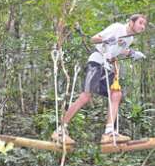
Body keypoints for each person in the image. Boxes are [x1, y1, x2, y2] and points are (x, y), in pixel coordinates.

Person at [51, 14, 148, 145]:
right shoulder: (117, 28)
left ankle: (108, 132)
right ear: (131, 22)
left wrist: (132, 53)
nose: (142, 26)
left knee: (116, 94)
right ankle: (60, 130)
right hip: (96, 62)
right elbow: (94, 39)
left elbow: (121, 50)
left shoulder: (129, 38)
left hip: (107, 66)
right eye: (140, 23)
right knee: (85, 96)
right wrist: (107, 39)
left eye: (144, 25)